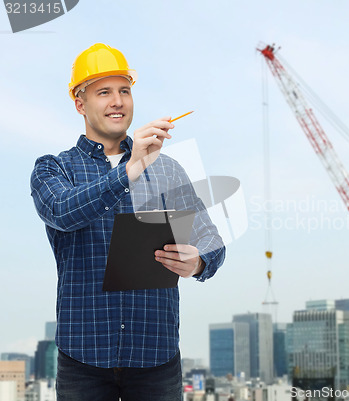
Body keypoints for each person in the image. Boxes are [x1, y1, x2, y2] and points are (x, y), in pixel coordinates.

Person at [30, 43, 225, 401]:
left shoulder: (167, 169)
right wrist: (128, 172)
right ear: (79, 103)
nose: (117, 101)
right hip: (83, 362)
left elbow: (211, 240)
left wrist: (198, 261)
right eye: (104, 92)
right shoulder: (54, 169)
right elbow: (61, 211)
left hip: (157, 360)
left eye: (125, 90)